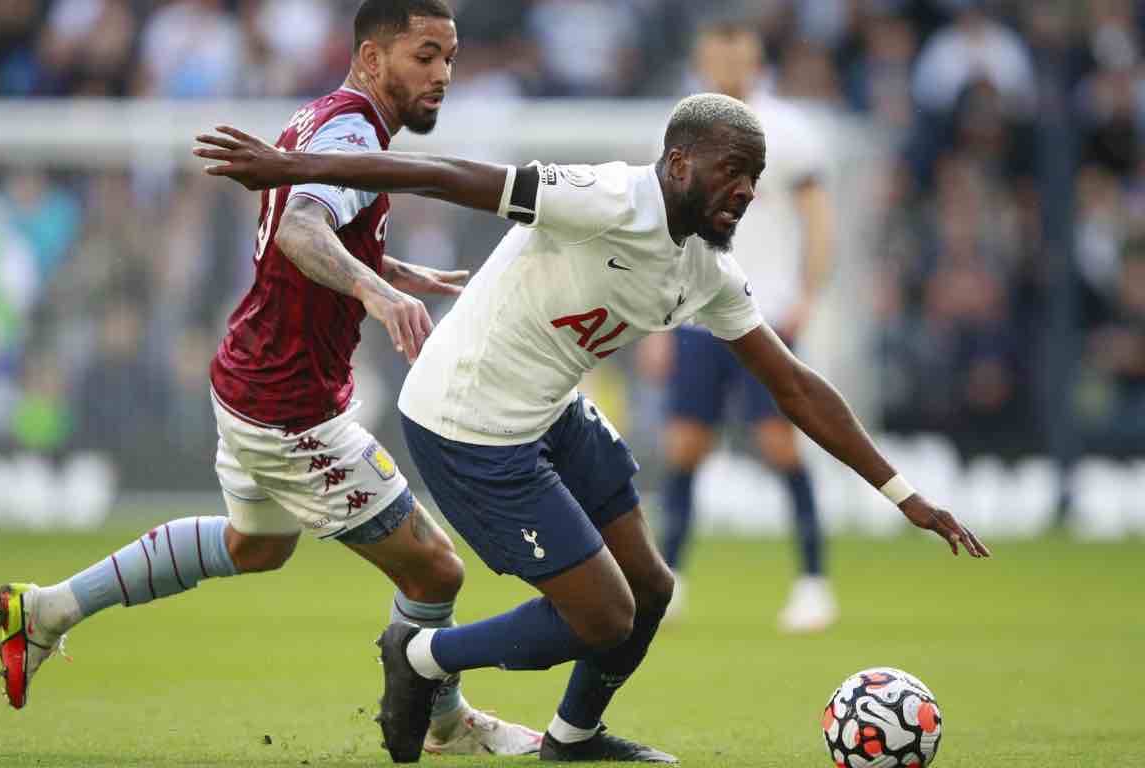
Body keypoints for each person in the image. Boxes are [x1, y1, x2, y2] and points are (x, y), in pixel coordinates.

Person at [194, 93, 991, 764]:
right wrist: (293, 169)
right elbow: (444, 175)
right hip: (467, 421)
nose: (747, 192)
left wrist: (902, 493)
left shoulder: (707, 270)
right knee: (601, 615)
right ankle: (421, 656)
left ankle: (571, 740)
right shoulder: (608, 198)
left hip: (552, 410)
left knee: (650, 587)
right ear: (679, 165)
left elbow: (794, 386)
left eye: (756, 180)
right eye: (733, 173)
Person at [0, 1, 541, 759]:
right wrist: (380, 294)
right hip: (292, 409)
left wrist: (393, 268)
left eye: (449, 57)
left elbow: (313, 232)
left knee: (256, 547)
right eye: (425, 55)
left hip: (248, 380)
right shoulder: (352, 130)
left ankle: (48, 609)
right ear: (374, 59)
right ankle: (447, 723)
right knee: (436, 569)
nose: (442, 74)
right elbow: (299, 230)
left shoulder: (323, 114)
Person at [645, 18, 840, 631]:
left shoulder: (788, 130)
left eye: (740, 54)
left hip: (766, 314)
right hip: (695, 314)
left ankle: (813, 582)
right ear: (704, 58)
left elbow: (817, 219)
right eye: (719, 54)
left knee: (779, 444)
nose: (730, 64)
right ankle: (669, 580)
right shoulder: (683, 131)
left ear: (755, 58)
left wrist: (808, 294)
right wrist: (654, 320)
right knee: (684, 446)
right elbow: (660, 229)